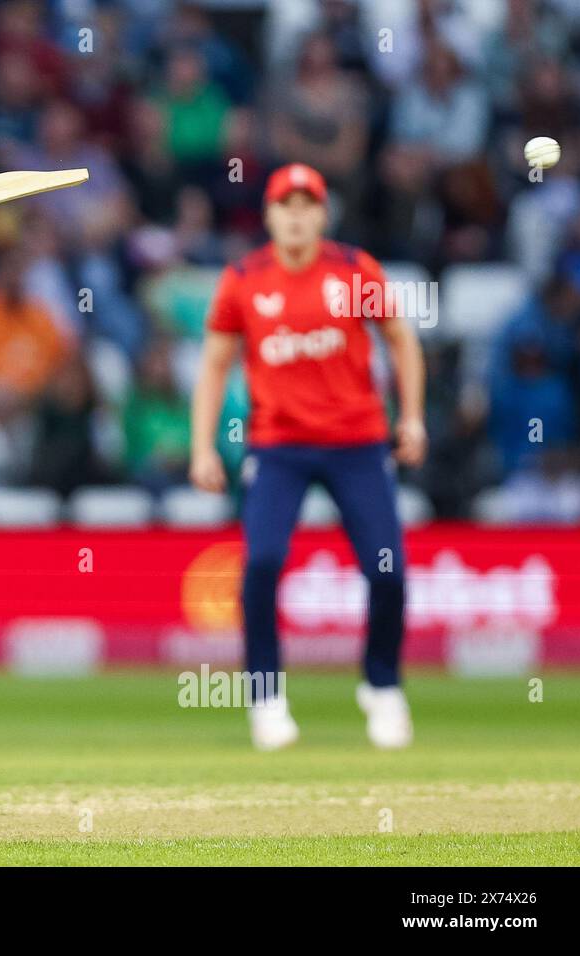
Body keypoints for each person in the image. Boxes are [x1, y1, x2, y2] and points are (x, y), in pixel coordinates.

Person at [190, 163, 427, 751]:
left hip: (358, 441)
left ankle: (383, 685)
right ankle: (266, 699)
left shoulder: (354, 271)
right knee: (263, 563)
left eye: (307, 205)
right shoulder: (243, 279)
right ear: (268, 216)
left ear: (323, 214)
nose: (296, 216)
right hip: (278, 447)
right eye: (285, 205)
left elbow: (401, 339)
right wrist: (202, 448)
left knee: (388, 570)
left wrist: (413, 417)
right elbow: (215, 365)